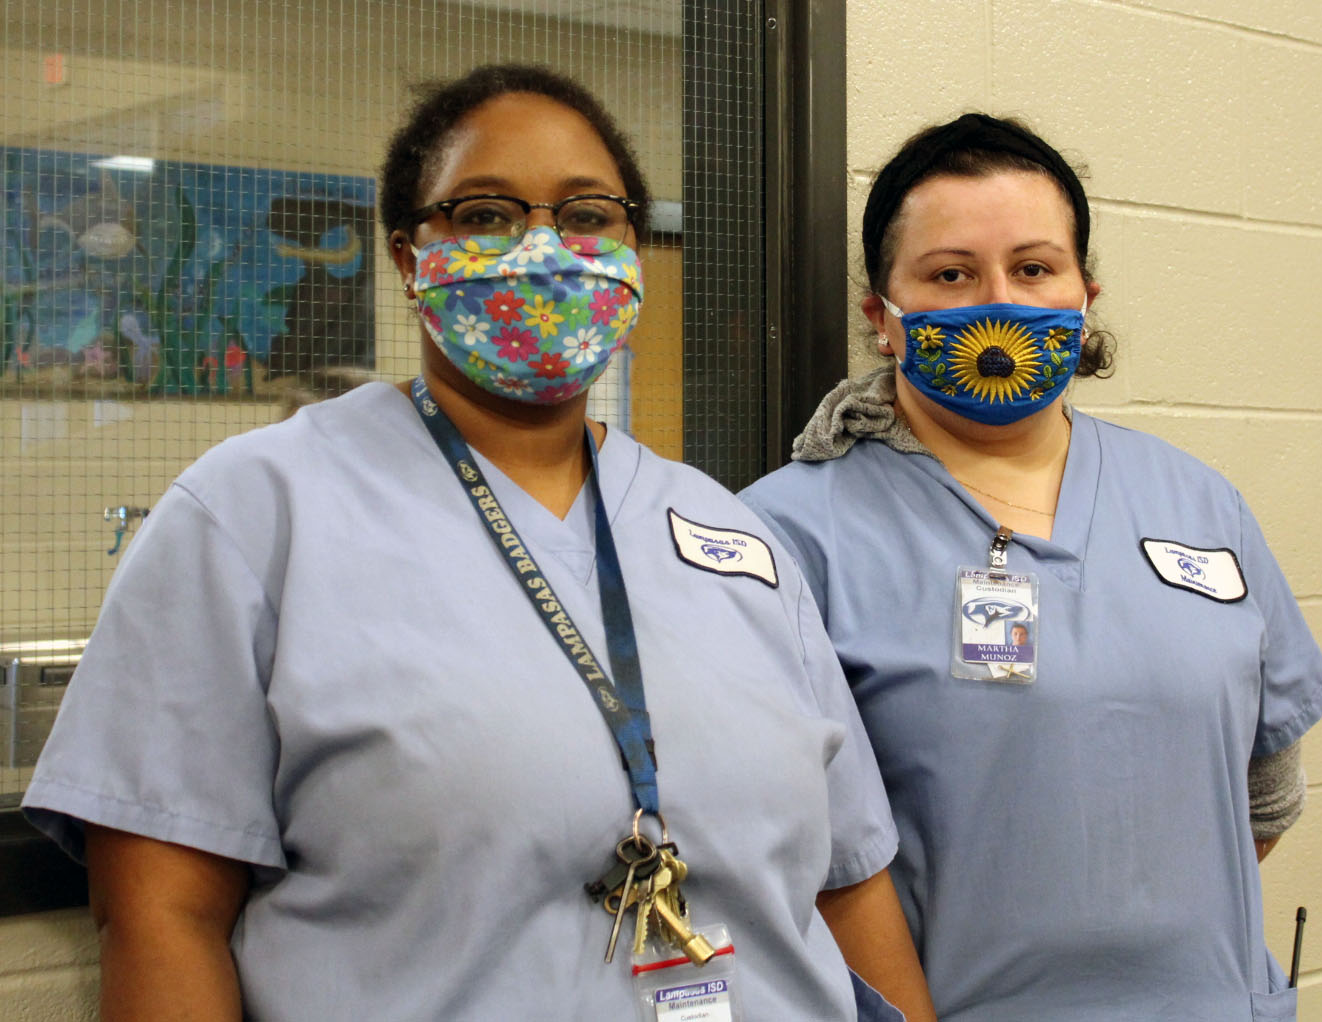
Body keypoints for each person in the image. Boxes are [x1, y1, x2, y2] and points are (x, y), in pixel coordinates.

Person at [22, 65, 935, 1021]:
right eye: (486, 215)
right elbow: (160, 915)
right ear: (410, 256)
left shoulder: (731, 534)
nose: (544, 248)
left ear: (632, 248)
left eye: (587, 216)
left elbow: (849, 884)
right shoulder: (254, 518)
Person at [740, 113, 1322, 1021]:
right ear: (882, 318)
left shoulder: (1195, 500)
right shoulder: (785, 534)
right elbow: (786, 851)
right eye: (951, 274)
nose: (1001, 301)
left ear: (1084, 293)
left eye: (1033, 268)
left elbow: (1265, 792)